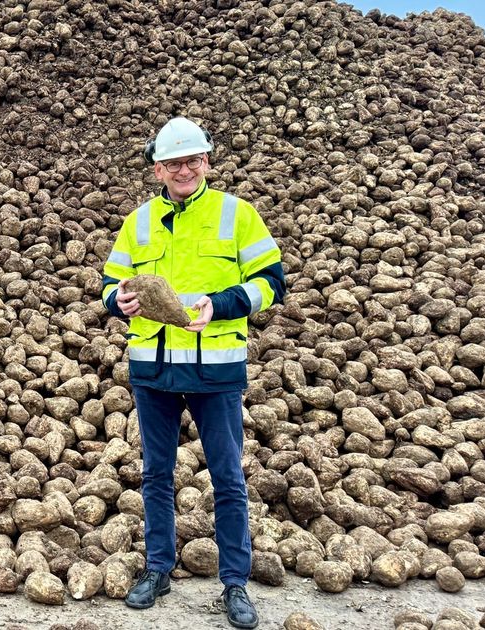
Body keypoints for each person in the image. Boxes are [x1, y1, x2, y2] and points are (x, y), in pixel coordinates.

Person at [99, 116, 285, 629]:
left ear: (207, 161)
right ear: (157, 168)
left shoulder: (237, 214)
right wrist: (122, 301)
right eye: (174, 162)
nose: (185, 169)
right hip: (152, 370)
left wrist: (221, 305)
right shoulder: (137, 223)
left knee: (227, 478)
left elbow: (272, 281)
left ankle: (235, 583)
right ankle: (158, 568)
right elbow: (109, 286)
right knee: (156, 475)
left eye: (194, 159)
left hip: (215, 372)